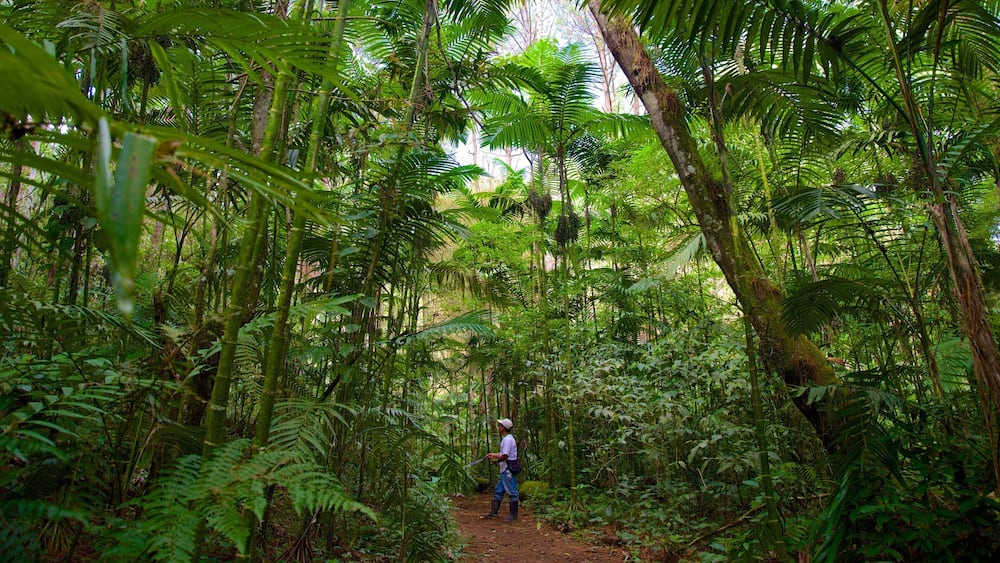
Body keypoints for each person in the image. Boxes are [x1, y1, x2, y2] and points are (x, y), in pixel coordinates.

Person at [482, 417, 519, 521]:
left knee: (512, 491)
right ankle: (493, 513)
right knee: (499, 491)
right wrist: (494, 454)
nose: (498, 427)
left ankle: (513, 515)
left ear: (504, 428)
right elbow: (503, 454)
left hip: (508, 470)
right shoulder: (507, 439)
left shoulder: (507, 440)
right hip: (504, 470)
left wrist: (496, 461)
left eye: (500, 426)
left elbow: (505, 456)